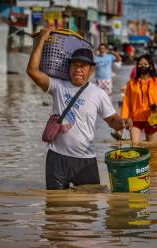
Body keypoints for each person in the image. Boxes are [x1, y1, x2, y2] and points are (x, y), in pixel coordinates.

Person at [26, 29, 132, 190]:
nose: (78, 69)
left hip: (86, 160)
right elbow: (32, 71)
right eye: (75, 65)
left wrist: (122, 122)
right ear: (69, 67)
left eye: (83, 66)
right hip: (56, 158)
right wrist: (41, 41)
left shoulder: (98, 93)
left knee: (90, 209)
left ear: (92, 70)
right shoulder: (57, 86)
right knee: (56, 208)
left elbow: (112, 120)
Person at [121, 54, 157, 144]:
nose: (142, 66)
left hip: (152, 119)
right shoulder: (131, 83)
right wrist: (126, 118)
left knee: (152, 147)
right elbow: (126, 102)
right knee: (135, 144)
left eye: (145, 64)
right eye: (140, 64)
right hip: (135, 119)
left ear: (150, 66)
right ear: (137, 67)